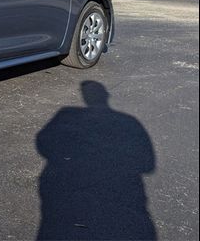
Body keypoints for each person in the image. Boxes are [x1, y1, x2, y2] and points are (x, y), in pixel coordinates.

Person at [36, 81, 156, 240]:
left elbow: (42, 141)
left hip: (65, 191)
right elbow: (148, 165)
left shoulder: (66, 113)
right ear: (106, 95)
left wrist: (65, 158)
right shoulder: (129, 120)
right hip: (122, 198)